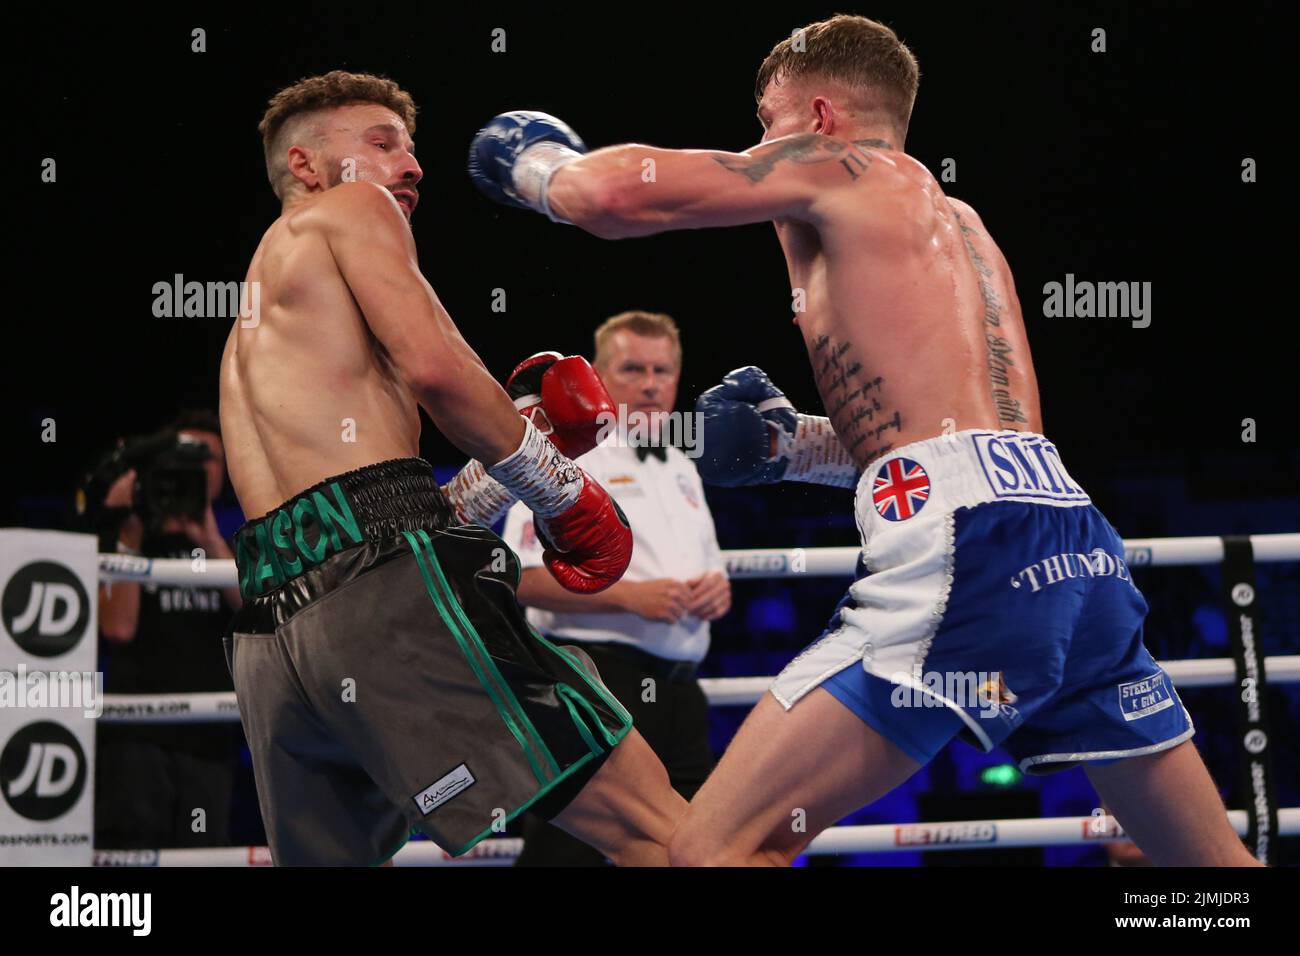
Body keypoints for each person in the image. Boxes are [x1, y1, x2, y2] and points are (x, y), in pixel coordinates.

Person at [467, 16, 1260, 866]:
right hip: (1071, 544)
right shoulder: (966, 228)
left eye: (768, 124)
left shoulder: (846, 167)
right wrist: (792, 448)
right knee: (1211, 872)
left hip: (970, 556)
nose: (761, 146)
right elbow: (956, 439)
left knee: (711, 850)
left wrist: (536, 165)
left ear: (817, 115)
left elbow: (616, 198)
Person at [219, 70, 684, 865]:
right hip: (383, 604)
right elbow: (439, 376)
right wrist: (559, 488)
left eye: (410, 147)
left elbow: (354, 512)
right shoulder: (351, 211)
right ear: (304, 167)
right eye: (381, 143)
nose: (411, 165)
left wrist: (501, 464)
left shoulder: (252, 331)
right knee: (661, 831)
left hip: (271, 631)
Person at [505, 311, 728, 865]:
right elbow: (519, 577)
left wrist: (717, 592)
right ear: (600, 375)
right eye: (634, 369)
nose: (652, 383)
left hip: (681, 691)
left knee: (691, 847)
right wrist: (628, 597)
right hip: (597, 679)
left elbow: (710, 569)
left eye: (663, 369)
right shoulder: (562, 455)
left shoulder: (680, 463)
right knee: (566, 854)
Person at [96, 409, 243, 850]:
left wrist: (210, 540)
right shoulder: (126, 541)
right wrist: (131, 530)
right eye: (183, 455)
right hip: (135, 738)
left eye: (208, 457)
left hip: (209, 739)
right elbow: (118, 628)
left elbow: (258, 619)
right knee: (132, 852)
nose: (196, 467)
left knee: (202, 853)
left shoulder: (238, 547)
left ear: (226, 469)